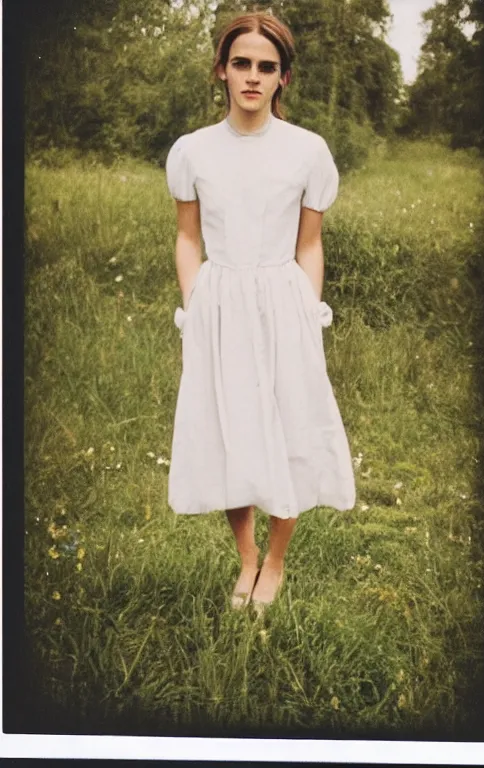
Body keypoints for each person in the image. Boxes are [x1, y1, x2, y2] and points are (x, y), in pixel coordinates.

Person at [165, 11, 355, 616]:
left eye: (266, 67)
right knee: (231, 430)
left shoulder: (307, 151)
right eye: (241, 63)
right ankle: (245, 557)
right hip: (219, 304)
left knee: (287, 429)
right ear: (221, 70)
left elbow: (309, 243)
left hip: (284, 301)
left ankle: (274, 562)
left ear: (283, 79)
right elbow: (188, 238)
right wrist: (195, 307)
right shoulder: (193, 151)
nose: (252, 77)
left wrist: (308, 308)